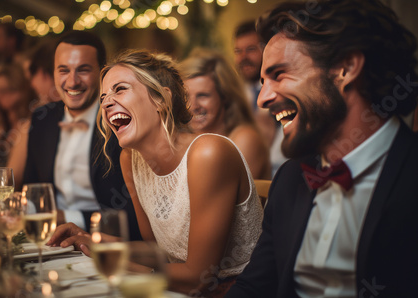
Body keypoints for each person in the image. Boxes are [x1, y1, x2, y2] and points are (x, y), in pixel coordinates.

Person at [226, 0, 418, 297]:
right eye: (263, 81)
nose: (263, 98)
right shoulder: (290, 179)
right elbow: (254, 288)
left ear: (345, 68)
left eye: (279, 74)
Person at [48, 49, 264, 296]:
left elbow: (198, 278)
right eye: (104, 95)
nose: (106, 102)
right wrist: (92, 240)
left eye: (120, 89)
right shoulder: (130, 159)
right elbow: (156, 250)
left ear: (161, 99)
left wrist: (121, 267)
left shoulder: (209, 153)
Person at [22, 31, 141, 240]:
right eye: (63, 70)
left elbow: (131, 215)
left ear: (102, 72)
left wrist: (66, 217)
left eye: (83, 70)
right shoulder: (42, 119)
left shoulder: (121, 122)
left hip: (106, 244)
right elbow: (32, 190)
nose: (72, 81)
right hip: (51, 241)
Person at [180, 48, 271, 179]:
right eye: (185, 96)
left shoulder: (245, 139)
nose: (192, 106)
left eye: (203, 95)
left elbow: (219, 197)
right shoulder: (187, 139)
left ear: (225, 96)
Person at [233, 20, 287, 177]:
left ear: (266, 49)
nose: (243, 57)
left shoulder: (283, 87)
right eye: (238, 51)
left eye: (250, 50)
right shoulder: (234, 95)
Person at [0, 63, 33, 190]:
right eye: (0, 91)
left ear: (22, 87)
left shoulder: (30, 124)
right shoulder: (3, 128)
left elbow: (11, 179)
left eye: (10, 88)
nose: (5, 95)